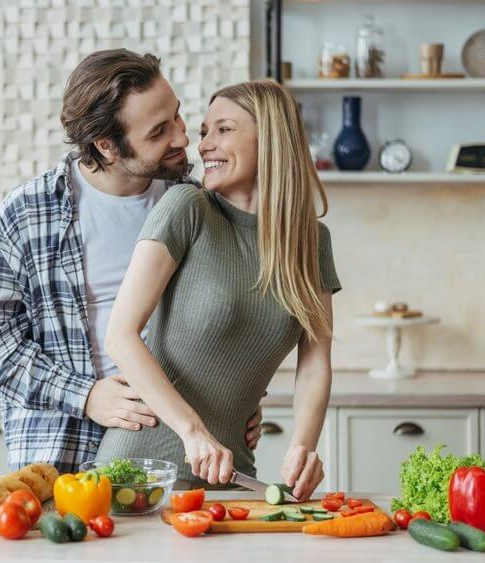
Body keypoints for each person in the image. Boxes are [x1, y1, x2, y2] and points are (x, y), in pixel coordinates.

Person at [0, 50, 264, 474]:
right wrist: (85, 396)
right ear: (107, 146)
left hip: (182, 450)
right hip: (63, 457)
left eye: (177, 117)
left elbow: (230, 314)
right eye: (159, 131)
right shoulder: (27, 215)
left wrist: (242, 392)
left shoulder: (200, 205)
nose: (182, 139)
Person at [98, 79, 340, 500]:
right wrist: (193, 431)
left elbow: (315, 361)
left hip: (231, 475)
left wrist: (304, 445)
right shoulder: (187, 209)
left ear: (271, 138)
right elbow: (121, 336)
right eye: (206, 131)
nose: (204, 145)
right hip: (142, 469)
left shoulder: (312, 242)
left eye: (223, 129)